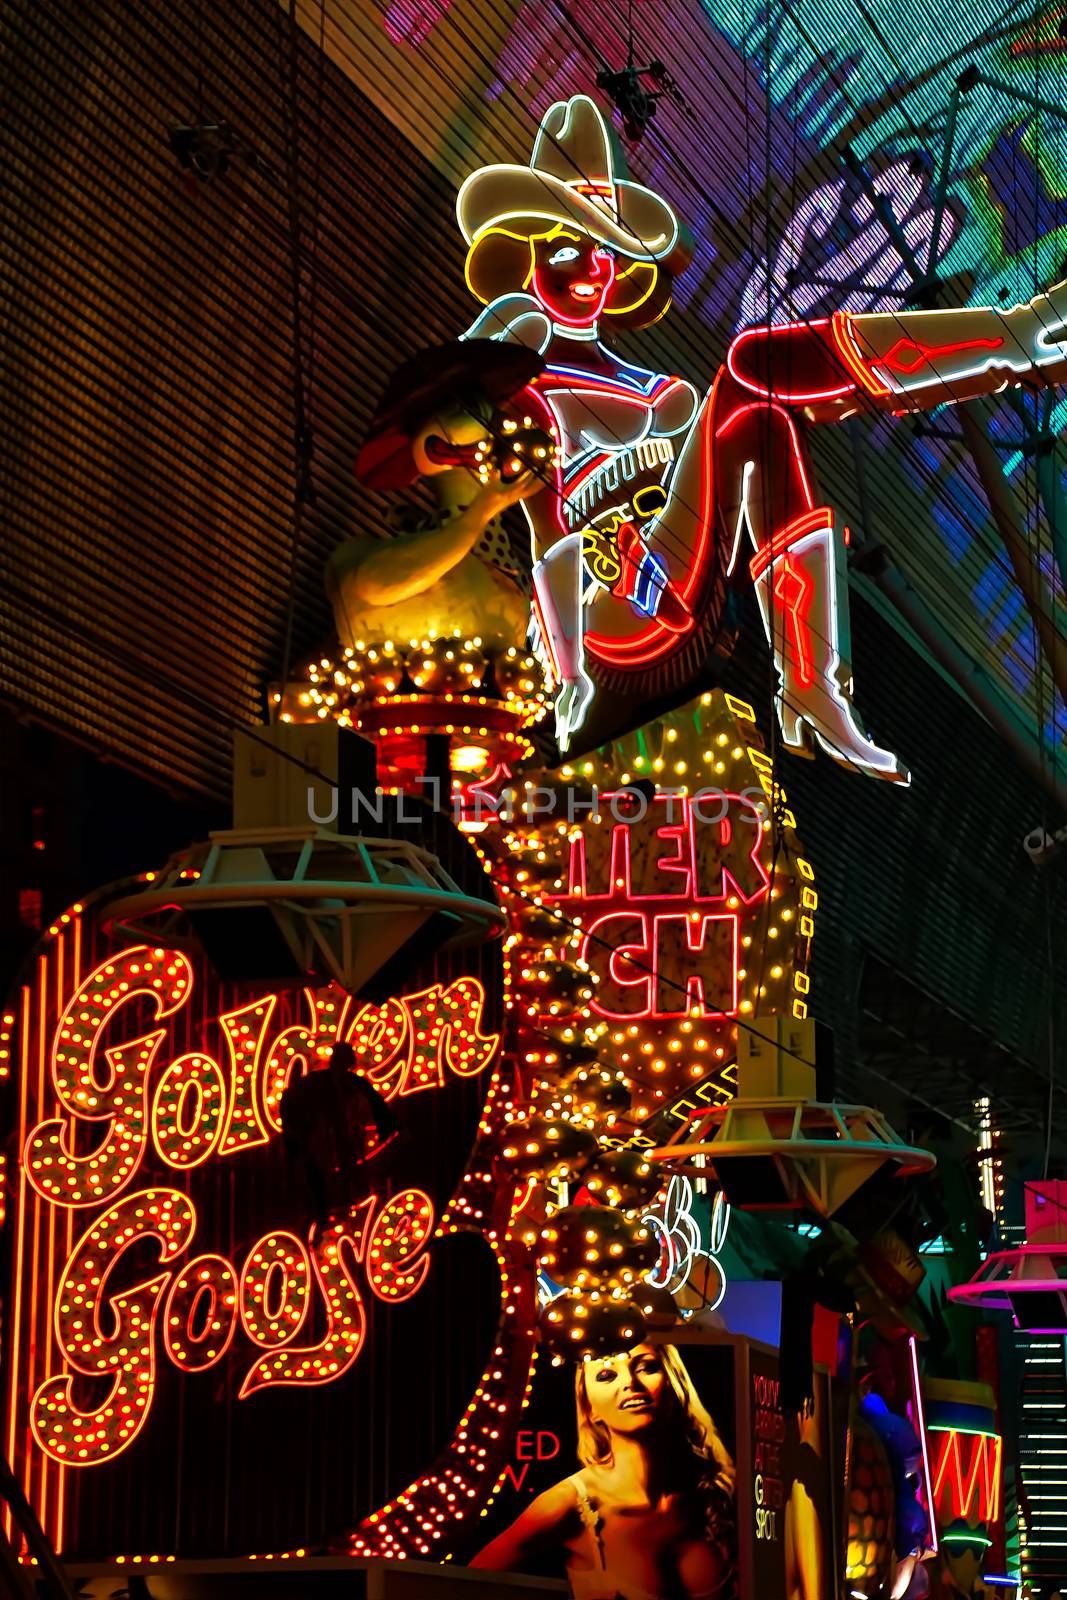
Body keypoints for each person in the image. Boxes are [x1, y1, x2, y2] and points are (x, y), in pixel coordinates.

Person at [457, 94, 1067, 776]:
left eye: (603, 251)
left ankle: (808, 684)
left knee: (762, 410)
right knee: (752, 367)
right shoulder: (527, 383)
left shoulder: (661, 394)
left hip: (675, 589)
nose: (590, 269)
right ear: (528, 254)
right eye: (568, 248)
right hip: (607, 621)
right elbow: (549, 539)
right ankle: (1019, 338)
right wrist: (567, 677)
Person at [471, 1342, 736, 1600]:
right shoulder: (569, 1504)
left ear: (674, 1383)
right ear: (590, 1407)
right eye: (606, 1375)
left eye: (646, 1367)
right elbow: (464, 1585)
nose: (629, 1383)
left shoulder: (720, 1485)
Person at [279, 1040, 399, 1228]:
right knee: (323, 1171)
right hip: (324, 1138)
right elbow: (289, 1100)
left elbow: (376, 1104)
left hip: (342, 1137)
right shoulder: (319, 1082)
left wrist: (388, 1126)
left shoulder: (349, 1082)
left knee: (343, 1168)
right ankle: (325, 1214)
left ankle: (344, 1207)